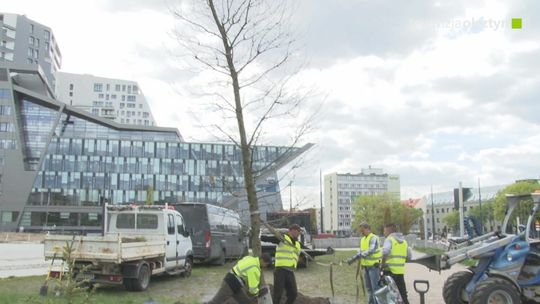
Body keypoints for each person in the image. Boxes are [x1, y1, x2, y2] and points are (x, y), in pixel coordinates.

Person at [205, 253, 272, 304]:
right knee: (216, 302)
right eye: (266, 264)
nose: (265, 266)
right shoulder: (255, 269)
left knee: (245, 302)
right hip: (230, 284)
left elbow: (241, 267)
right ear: (262, 260)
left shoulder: (249, 258)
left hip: (235, 283)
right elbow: (252, 289)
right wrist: (259, 293)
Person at [346, 222, 382, 304]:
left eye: (362, 230)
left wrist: (356, 257)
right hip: (366, 267)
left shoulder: (373, 238)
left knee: (375, 289)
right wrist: (355, 258)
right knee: (369, 289)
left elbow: (370, 250)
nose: (361, 232)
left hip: (373, 267)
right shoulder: (363, 239)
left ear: (367, 228)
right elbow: (362, 252)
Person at [381, 223, 411, 304]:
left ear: (389, 231)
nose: (384, 233)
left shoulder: (389, 239)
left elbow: (385, 252)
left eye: (384, 231)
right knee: (403, 294)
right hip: (400, 272)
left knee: (390, 296)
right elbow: (409, 257)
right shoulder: (404, 242)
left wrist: (382, 264)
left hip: (389, 272)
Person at [273, 223, 302, 304]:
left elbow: (305, 253)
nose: (298, 233)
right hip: (280, 270)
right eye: (297, 231)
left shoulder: (297, 244)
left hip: (290, 271)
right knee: (278, 295)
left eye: (299, 232)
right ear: (291, 231)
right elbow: (269, 238)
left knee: (293, 294)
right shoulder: (283, 239)